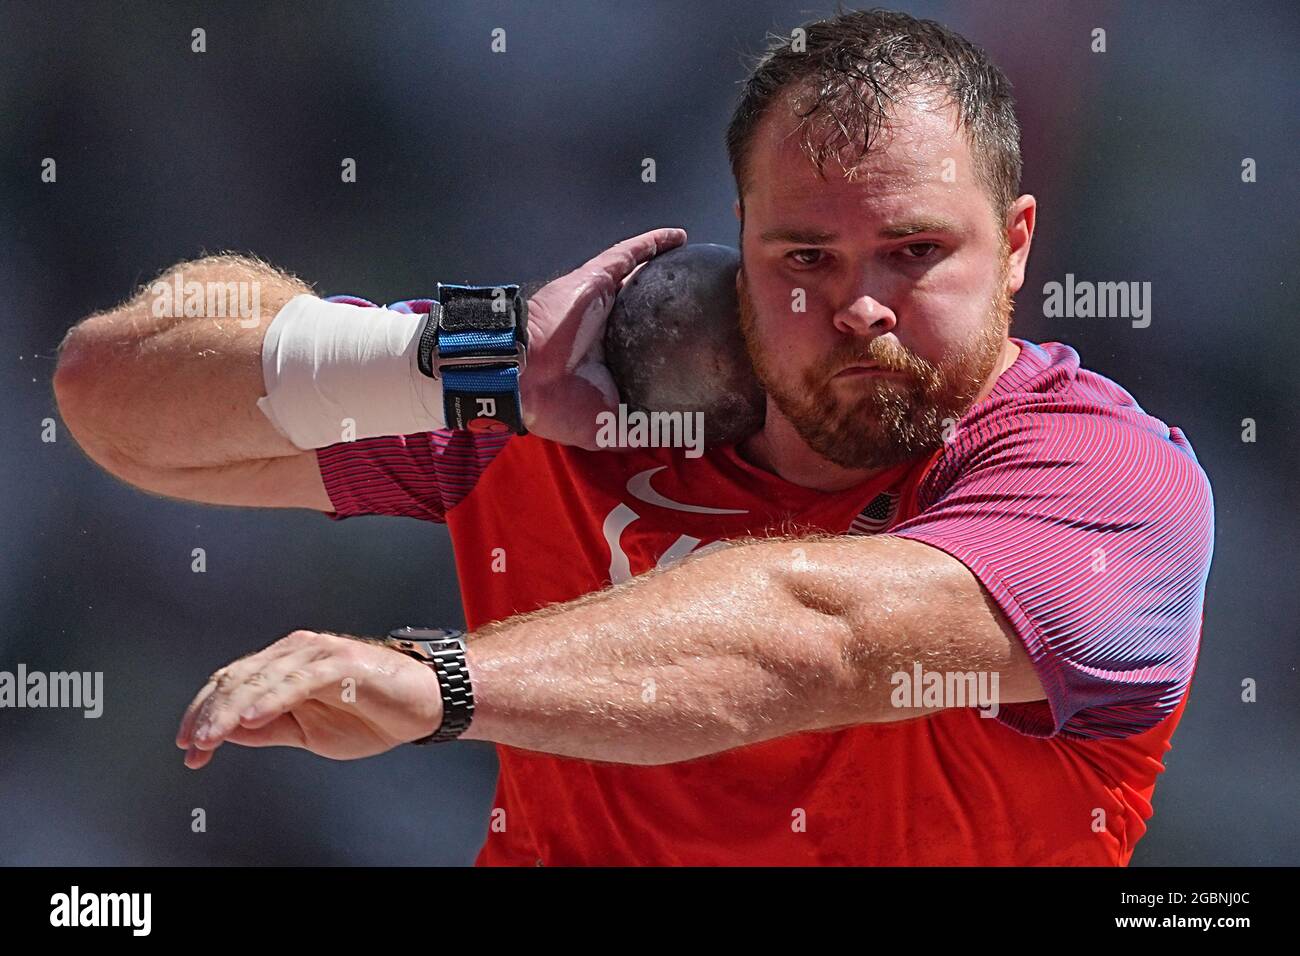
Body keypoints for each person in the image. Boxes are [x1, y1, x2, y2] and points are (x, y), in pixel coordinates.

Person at [52, 9, 1213, 865]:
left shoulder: (1110, 482)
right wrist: (474, 364)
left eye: (915, 252)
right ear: (740, 241)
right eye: (805, 257)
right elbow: (115, 403)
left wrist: (442, 678)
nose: (861, 306)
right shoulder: (584, 393)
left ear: (1013, 244)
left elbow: (824, 634)